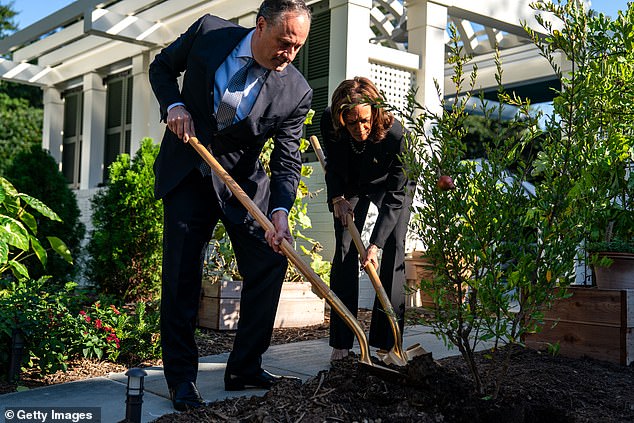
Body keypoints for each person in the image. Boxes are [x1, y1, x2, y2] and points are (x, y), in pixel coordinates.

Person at [148, 0, 313, 411]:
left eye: (297, 48)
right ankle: (182, 380)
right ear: (260, 26)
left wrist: (279, 212)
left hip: (240, 181)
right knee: (182, 276)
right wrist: (175, 105)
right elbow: (161, 68)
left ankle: (244, 366)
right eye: (284, 43)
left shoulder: (296, 90)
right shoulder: (209, 32)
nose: (288, 55)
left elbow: (287, 159)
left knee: (270, 262)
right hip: (189, 170)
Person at [320, 77, 415, 361]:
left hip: (390, 184)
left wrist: (375, 244)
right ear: (341, 119)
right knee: (346, 249)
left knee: (394, 248)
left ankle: (388, 342)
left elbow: (397, 196)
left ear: (375, 112)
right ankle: (341, 341)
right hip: (351, 182)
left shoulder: (397, 136)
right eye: (352, 123)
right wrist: (337, 197)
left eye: (365, 121)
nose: (360, 129)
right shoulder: (330, 121)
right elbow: (334, 166)